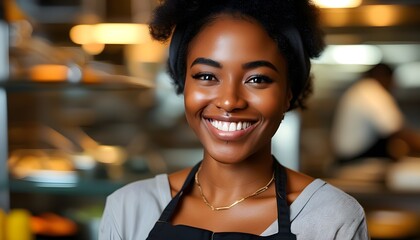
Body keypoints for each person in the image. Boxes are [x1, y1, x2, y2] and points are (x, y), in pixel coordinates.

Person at [99, 0, 369, 239]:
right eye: (206, 76)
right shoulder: (128, 208)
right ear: (184, 84)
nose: (229, 101)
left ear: (288, 92)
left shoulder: (332, 218)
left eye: (257, 79)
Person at [331, 63, 420, 165]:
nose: (393, 86)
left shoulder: (361, 89)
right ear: (384, 76)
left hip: (351, 158)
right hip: (355, 161)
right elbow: (397, 129)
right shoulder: (370, 89)